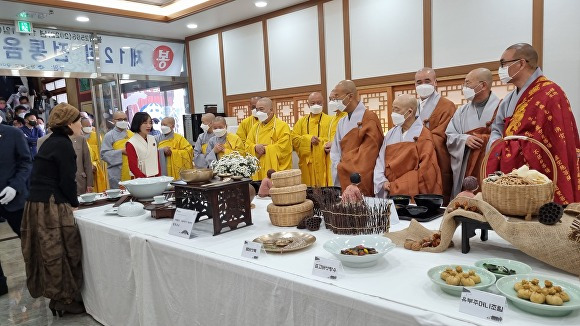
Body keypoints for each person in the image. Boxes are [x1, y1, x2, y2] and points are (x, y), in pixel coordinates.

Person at [487, 43, 580, 204]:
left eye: (503, 63)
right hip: (510, 173)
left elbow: (554, 141)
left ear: (521, 63)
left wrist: (513, 147)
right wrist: (497, 145)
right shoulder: (508, 99)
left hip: (541, 168)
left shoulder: (551, 93)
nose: (500, 69)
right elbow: (498, 129)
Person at [21, 103, 85, 315]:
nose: (81, 125)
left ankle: (57, 298)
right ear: (68, 124)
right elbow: (67, 179)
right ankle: (66, 300)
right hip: (51, 204)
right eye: (77, 121)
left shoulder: (50, 142)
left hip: (36, 202)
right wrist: (74, 203)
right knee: (63, 250)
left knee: (47, 252)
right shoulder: (63, 144)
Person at [373, 94, 442, 199]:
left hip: (412, 191)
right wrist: (382, 181)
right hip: (389, 189)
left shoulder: (423, 135)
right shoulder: (390, 134)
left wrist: (400, 185)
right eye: (393, 110)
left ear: (409, 112)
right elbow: (380, 161)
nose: (393, 114)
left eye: (397, 110)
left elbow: (427, 171)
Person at [446, 68, 501, 198]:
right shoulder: (462, 111)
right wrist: (464, 139)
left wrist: (487, 139)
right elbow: (450, 134)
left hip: (490, 162)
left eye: (468, 83)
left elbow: (506, 136)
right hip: (467, 163)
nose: (464, 87)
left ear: (483, 85)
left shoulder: (501, 107)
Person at [329, 80, 383, 196]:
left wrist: (345, 165)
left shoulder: (369, 118)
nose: (335, 101)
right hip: (344, 173)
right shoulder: (341, 122)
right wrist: (339, 166)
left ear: (350, 96)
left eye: (337, 97)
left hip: (362, 175)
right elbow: (335, 151)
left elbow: (370, 152)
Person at [0, 118, 32, 296]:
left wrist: (15, 186)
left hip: (14, 198)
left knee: (29, 239)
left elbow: (26, 162)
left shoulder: (13, 133)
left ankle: (39, 276)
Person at [415, 67, 456, 204]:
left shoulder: (447, 105)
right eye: (419, 82)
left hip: (437, 158)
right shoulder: (414, 106)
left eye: (427, 81)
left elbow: (444, 134)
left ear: (435, 82)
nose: (423, 85)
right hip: (415, 160)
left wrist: (420, 140)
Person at [246, 97, 292, 180]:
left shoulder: (282, 126)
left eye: (261, 109)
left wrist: (265, 149)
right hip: (258, 170)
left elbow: (284, 148)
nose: (258, 112)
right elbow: (247, 145)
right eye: (257, 110)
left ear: (271, 110)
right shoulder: (255, 127)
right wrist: (255, 147)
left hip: (275, 171)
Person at [292, 92, 332, 187]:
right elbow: (294, 139)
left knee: (326, 190)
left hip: (325, 162)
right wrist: (308, 139)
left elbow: (334, 139)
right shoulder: (301, 122)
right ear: (308, 104)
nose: (316, 105)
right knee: (309, 191)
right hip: (307, 164)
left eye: (319, 103)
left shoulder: (330, 120)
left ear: (323, 103)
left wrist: (323, 143)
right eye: (313, 103)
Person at [101, 111, 133, 189]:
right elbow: (104, 154)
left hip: (131, 170)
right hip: (117, 171)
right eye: (120, 119)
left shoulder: (131, 134)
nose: (123, 121)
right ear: (113, 121)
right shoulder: (109, 135)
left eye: (125, 119)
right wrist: (121, 151)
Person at [126, 112, 160, 178]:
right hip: (139, 178)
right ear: (137, 124)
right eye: (145, 123)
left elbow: (156, 159)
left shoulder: (152, 139)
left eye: (150, 123)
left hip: (155, 176)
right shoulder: (131, 143)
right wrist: (144, 179)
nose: (149, 126)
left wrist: (158, 176)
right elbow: (133, 166)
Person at [82, 118, 108, 192]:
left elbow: (101, 151)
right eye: (86, 126)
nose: (88, 128)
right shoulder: (80, 139)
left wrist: (95, 164)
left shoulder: (96, 135)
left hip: (98, 164)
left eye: (90, 125)